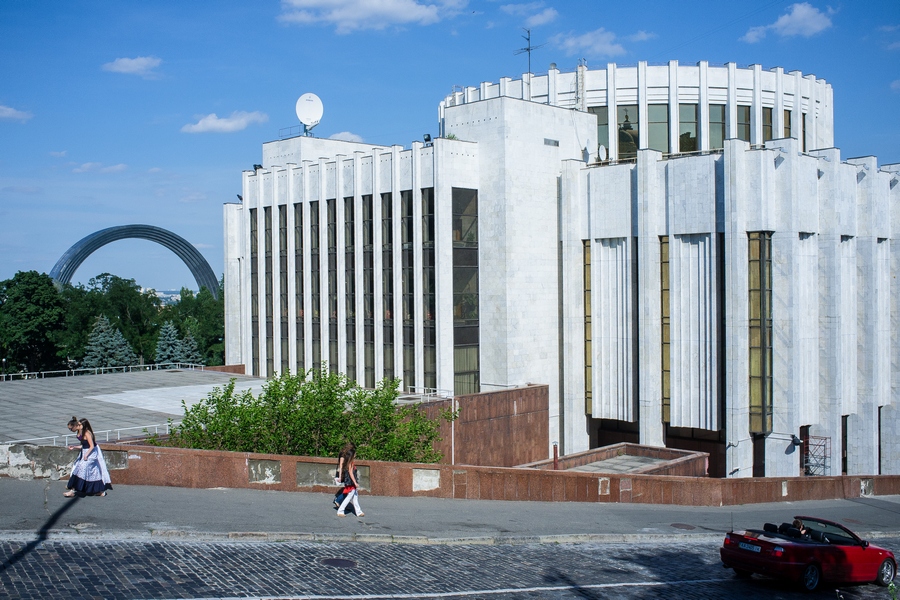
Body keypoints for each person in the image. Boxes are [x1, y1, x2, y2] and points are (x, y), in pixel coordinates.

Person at [64, 416, 112, 498]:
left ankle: (73, 491)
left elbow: (91, 446)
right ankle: (100, 491)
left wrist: (86, 455)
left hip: (91, 454)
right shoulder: (81, 432)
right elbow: (84, 445)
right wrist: (75, 447)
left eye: (80, 425)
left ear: (83, 425)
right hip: (86, 452)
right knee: (93, 472)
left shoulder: (87, 433)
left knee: (80, 469)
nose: (78, 426)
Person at [336, 446, 364, 518]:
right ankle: (340, 511)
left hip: (349, 481)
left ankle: (358, 511)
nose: (355, 455)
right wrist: (355, 482)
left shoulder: (348, 462)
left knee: (355, 496)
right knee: (349, 497)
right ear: (352, 455)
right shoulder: (350, 463)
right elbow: (351, 473)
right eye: (355, 454)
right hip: (350, 482)